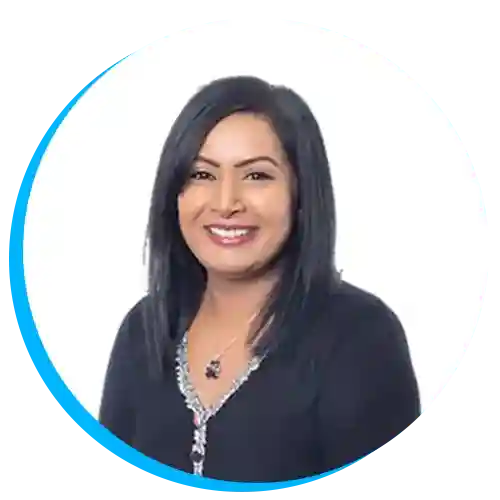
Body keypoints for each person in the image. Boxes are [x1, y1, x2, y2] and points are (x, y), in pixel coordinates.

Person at [99, 75, 421, 483]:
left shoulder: (361, 336)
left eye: (256, 176)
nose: (226, 203)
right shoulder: (144, 330)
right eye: (202, 175)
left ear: (301, 193)